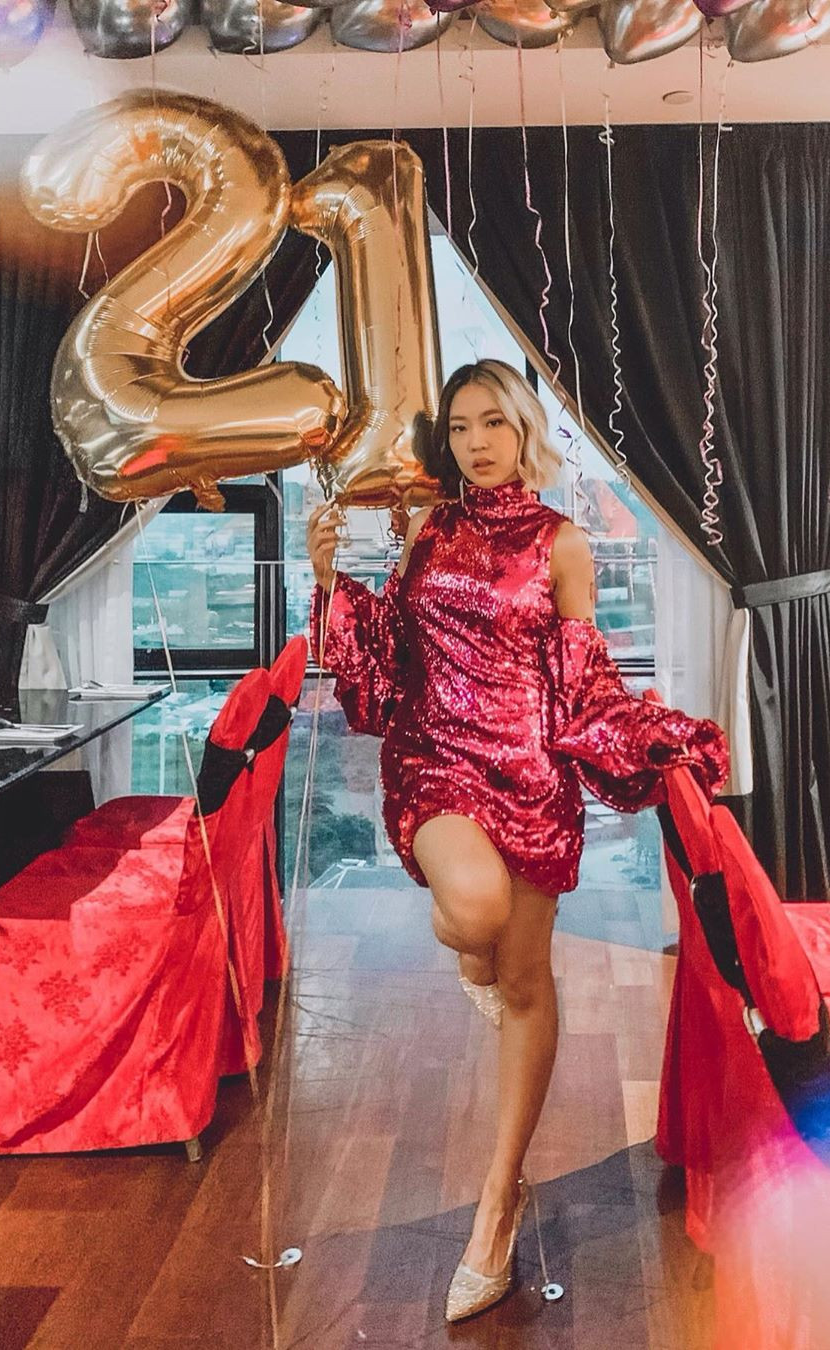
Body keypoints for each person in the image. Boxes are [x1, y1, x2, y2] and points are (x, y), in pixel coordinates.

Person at [308, 359, 728, 1323]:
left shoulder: (562, 543)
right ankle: (473, 952)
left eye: (492, 423)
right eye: (460, 428)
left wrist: (654, 735)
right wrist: (329, 578)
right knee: (475, 910)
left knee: (530, 985)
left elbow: (583, 683)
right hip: (437, 759)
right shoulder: (428, 528)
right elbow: (393, 655)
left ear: (524, 429)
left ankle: (499, 1200)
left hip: (533, 778)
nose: (476, 443)